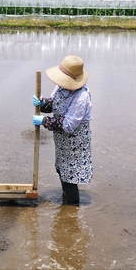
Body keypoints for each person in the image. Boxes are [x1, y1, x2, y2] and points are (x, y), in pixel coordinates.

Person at [33, 55, 92, 205]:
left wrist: (44, 121)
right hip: (62, 142)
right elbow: (55, 103)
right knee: (61, 170)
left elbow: (68, 125)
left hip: (74, 143)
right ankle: (67, 205)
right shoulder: (61, 87)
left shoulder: (81, 97)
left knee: (70, 177)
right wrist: (42, 103)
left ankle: (71, 209)